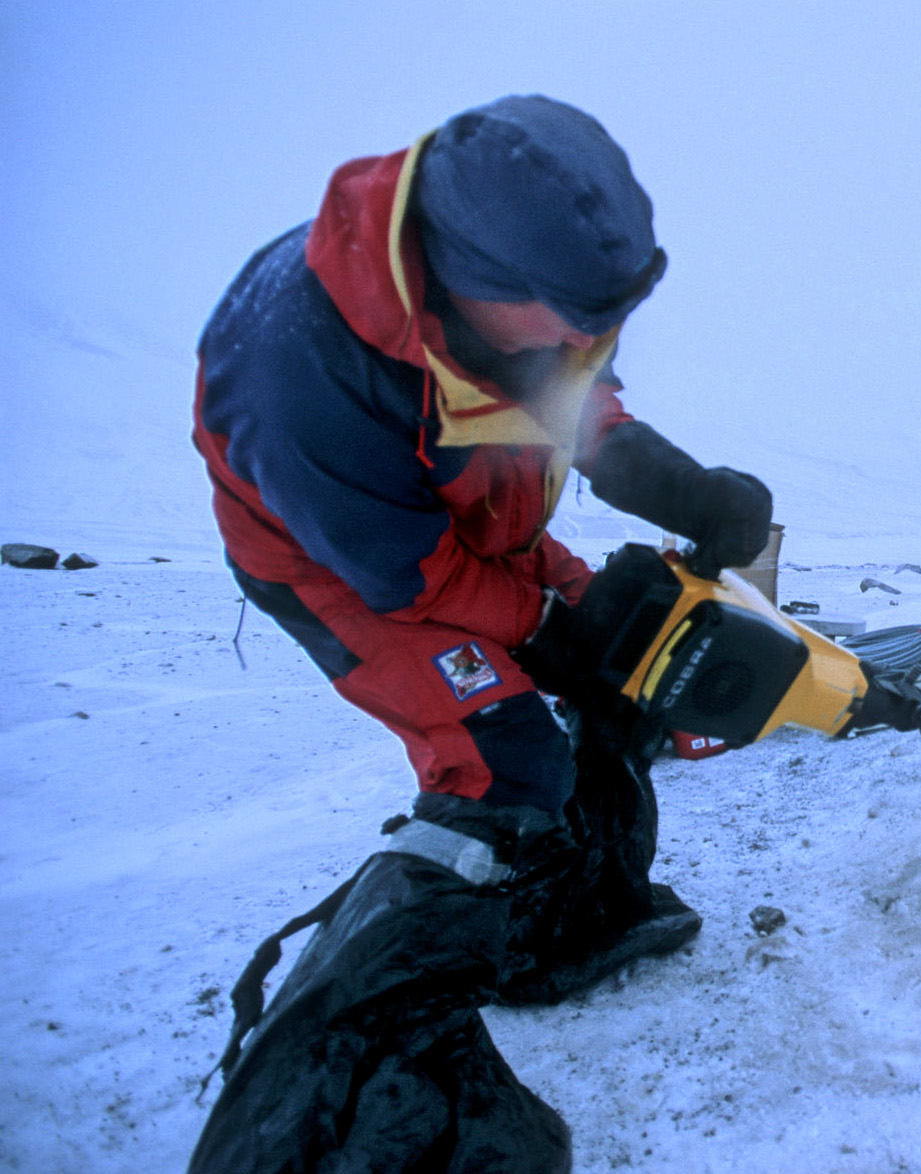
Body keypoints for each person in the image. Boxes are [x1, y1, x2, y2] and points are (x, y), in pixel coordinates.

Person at [188, 95, 774, 1171]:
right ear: (472, 283)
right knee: (499, 767)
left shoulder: (512, 305)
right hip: (355, 574)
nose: (592, 347)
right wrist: (546, 618)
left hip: (480, 524)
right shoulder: (297, 372)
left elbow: (568, 392)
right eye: (573, 320)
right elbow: (406, 574)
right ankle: (364, 1100)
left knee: (619, 669)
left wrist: (666, 479)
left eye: (610, 322)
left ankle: (567, 928)